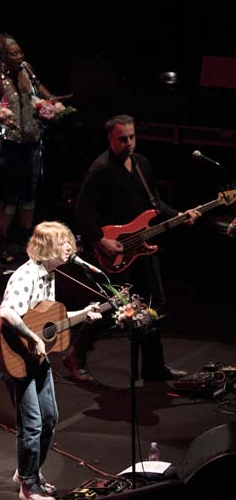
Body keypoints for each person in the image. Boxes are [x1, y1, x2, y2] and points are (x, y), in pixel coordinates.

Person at [65, 114, 201, 382]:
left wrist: (181, 215)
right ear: (111, 139)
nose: (128, 143)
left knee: (154, 304)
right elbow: (82, 210)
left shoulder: (141, 164)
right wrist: (100, 240)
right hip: (115, 249)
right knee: (111, 307)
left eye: (132, 137)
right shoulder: (101, 169)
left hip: (142, 248)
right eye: (122, 139)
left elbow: (155, 206)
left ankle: (153, 368)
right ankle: (76, 355)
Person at [0, 221, 101, 500]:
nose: (70, 246)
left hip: (36, 358)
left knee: (50, 418)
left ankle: (26, 472)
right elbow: (7, 313)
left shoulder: (50, 276)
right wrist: (32, 337)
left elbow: (49, 322)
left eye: (70, 241)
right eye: (63, 243)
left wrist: (84, 313)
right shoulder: (26, 276)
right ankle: (29, 486)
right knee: (31, 423)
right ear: (46, 248)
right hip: (16, 355)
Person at [0, 33, 56, 262]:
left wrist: (52, 101)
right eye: (14, 53)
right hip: (8, 143)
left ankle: (26, 240)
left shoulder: (28, 71)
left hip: (32, 140)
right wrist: (0, 119)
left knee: (29, 192)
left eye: (21, 52)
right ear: (4, 57)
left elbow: (40, 89)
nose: (20, 57)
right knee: (10, 195)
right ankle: (1, 242)